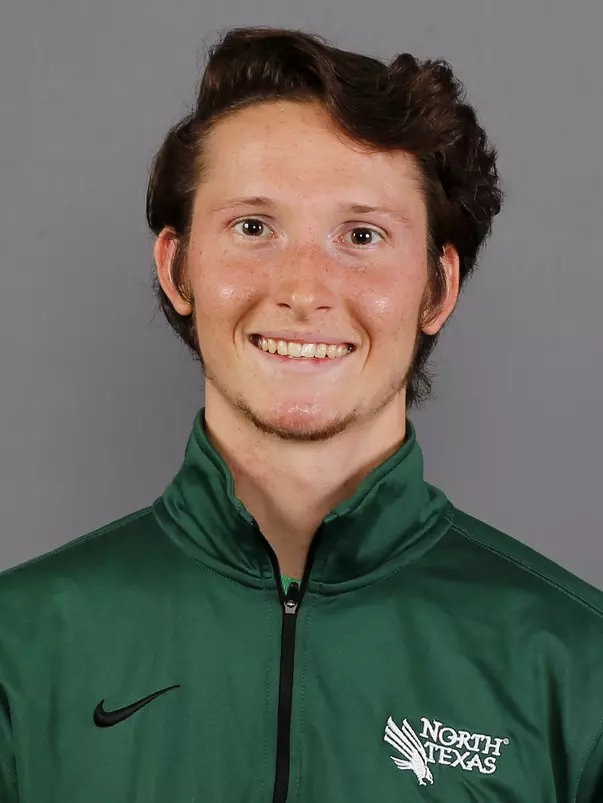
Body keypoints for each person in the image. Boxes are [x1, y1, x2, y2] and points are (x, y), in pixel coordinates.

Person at [0, 25, 601, 803]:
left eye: (361, 235)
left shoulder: (576, 666)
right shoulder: (19, 650)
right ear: (177, 269)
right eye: (253, 227)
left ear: (436, 289)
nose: (304, 288)